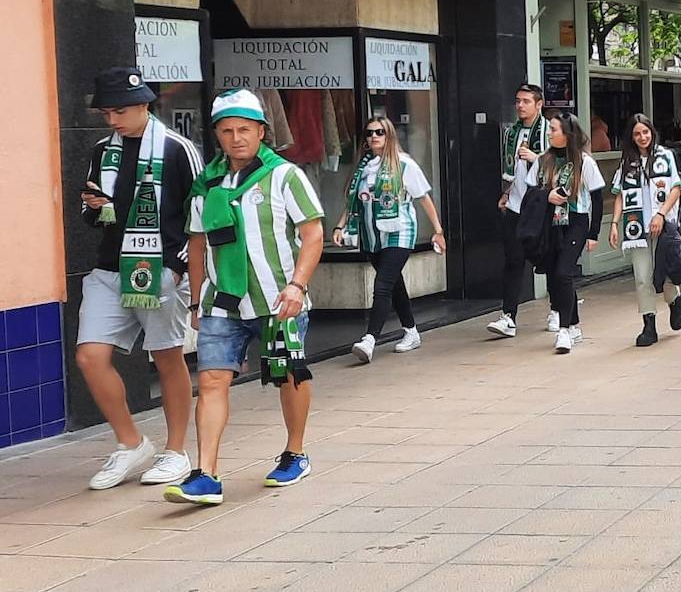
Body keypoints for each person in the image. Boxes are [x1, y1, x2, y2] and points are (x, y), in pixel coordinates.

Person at [166, 90, 324, 505]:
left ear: (261, 132)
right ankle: (206, 474)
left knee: (288, 374)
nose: (236, 138)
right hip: (222, 300)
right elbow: (198, 245)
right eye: (227, 131)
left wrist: (298, 284)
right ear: (217, 134)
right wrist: (197, 302)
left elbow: (313, 234)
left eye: (244, 130)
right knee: (212, 380)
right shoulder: (208, 185)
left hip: (278, 300)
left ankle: (295, 451)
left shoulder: (285, 175)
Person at [77, 67, 202, 490]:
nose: (112, 120)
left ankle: (176, 450)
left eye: (119, 111)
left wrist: (180, 267)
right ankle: (131, 443)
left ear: (144, 105)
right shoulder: (102, 150)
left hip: (160, 267)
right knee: (90, 356)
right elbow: (93, 214)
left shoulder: (176, 148)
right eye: (106, 113)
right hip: (110, 267)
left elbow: (200, 213)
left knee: (167, 357)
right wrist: (94, 207)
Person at [334, 116, 445, 364]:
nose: (374, 136)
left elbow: (423, 198)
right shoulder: (364, 167)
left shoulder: (403, 164)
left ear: (390, 136)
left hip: (399, 232)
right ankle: (411, 331)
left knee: (383, 284)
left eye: (380, 132)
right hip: (372, 234)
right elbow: (354, 201)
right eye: (370, 133)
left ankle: (370, 339)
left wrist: (437, 230)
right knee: (394, 284)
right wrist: (340, 226)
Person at [609, 114, 681, 347]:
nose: (642, 137)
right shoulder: (628, 162)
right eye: (637, 133)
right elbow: (619, 195)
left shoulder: (666, 156)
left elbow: (676, 188)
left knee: (664, 273)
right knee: (642, 277)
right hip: (637, 230)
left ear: (652, 132)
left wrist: (661, 214)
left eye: (645, 132)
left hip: (663, 226)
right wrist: (615, 224)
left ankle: (675, 299)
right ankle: (649, 325)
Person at [527, 112, 604, 354]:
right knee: (555, 276)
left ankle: (563, 329)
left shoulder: (584, 162)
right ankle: (574, 323)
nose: (549, 133)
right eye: (549, 129)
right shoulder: (542, 160)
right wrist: (546, 196)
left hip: (576, 222)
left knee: (563, 272)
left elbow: (597, 198)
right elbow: (529, 193)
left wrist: (593, 233)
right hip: (548, 224)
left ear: (567, 134)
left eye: (554, 129)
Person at [491, 84, 557, 338]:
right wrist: (507, 192)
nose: (520, 105)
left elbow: (556, 164)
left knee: (549, 259)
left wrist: (536, 157)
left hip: (541, 207)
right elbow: (512, 170)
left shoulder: (550, 131)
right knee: (513, 261)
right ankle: (508, 316)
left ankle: (558, 309)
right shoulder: (511, 133)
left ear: (539, 104)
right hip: (517, 204)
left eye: (526, 101)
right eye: (518, 101)